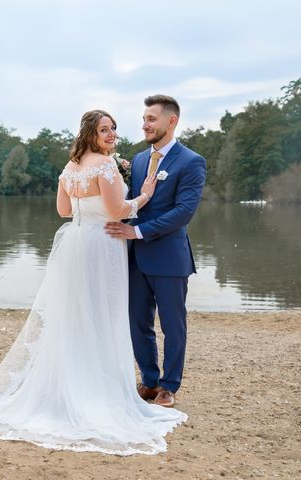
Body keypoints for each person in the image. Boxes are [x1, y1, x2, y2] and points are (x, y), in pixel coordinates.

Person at [0, 110, 187, 455]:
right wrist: (146, 195)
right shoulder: (106, 167)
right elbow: (117, 211)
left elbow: (64, 210)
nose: (111, 134)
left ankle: (66, 384)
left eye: (114, 129)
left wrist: (92, 203)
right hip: (102, 244)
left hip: (75, 243)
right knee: (102, 315)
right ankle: (97, 390)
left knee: (76, 314)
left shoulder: (70, 167)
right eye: (104, 129)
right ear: (91, 133)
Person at [105, 95, 207, 408]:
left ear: (171, 121)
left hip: (169, 258)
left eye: (152, 119)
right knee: (138, 322)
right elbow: (131, 204)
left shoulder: (191, 162)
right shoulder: (135, 161)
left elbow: (183, 212)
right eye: (145, 118)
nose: (145, 124)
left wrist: (136, 231)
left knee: (173, 325)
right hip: (135, 258)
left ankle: (169, 386)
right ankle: (149, 381)